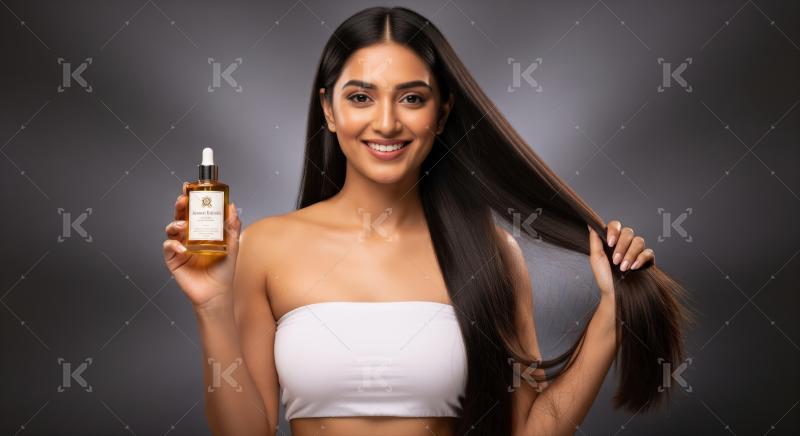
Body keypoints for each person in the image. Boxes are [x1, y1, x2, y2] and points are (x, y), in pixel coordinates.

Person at [162, 6, 687, 436]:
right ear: (329, 110)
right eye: (360, 97)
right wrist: (212, 307)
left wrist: (610, 318)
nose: (387, 122)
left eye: (411, 98)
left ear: (442, 112)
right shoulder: (267, 247)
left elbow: (527, 432)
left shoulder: (490, 253)